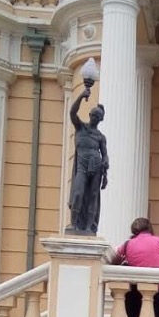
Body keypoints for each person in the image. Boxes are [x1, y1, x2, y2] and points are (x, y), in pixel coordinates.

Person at [66, 88, 108, 235]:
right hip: (82, 166)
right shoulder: (80, 128)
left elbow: (104, 154)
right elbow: (72, 113)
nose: (95, 118)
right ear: (90, 115)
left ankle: (90, 227)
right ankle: (73, 224)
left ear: (101, 119)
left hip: (96, 167)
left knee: (93, 196)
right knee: (78, 193)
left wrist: (105, 167)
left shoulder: (101, 137)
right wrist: (81, 96)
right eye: (94, 115)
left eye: (99, 117)